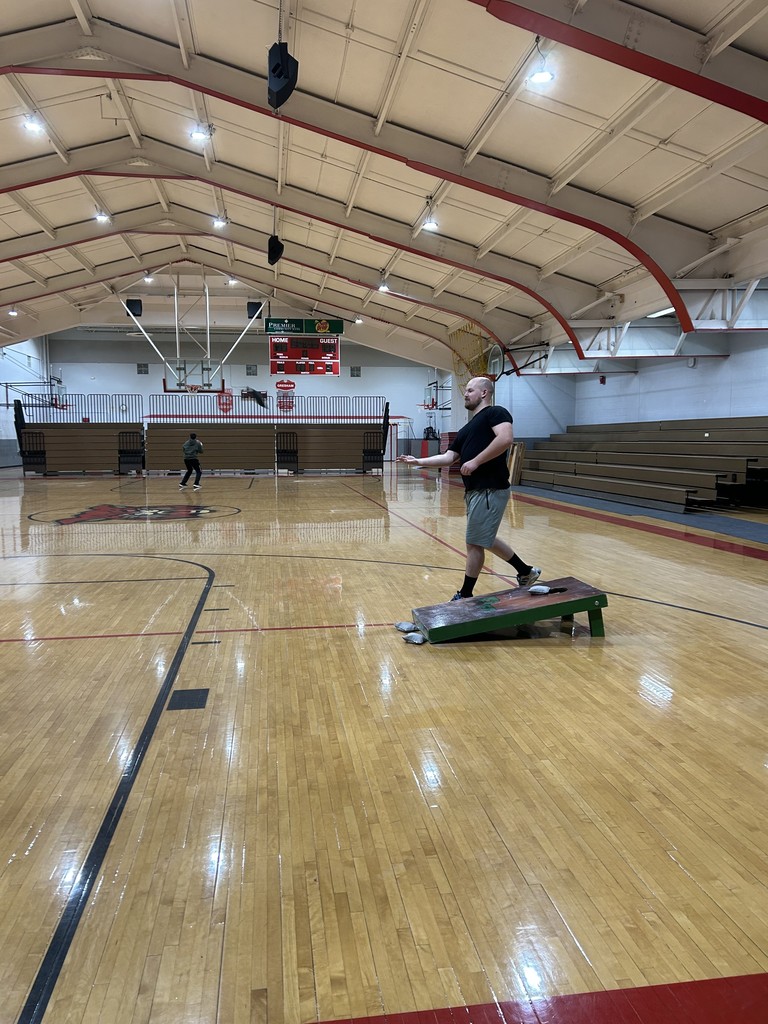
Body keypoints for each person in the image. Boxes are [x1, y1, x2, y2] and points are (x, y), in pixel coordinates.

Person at [397, 376, 541, 601]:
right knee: (485, 537)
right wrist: (418, 461)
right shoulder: (466, 429)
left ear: (484, 393)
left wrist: (476, 461)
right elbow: (447, 457)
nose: (465, 394)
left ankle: (465, 594)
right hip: (475, 491)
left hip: (490, 488)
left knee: (474, 542)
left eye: (470, 390)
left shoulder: (496, 413)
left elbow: (505, 439)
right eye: (465, 391)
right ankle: (526, 571)